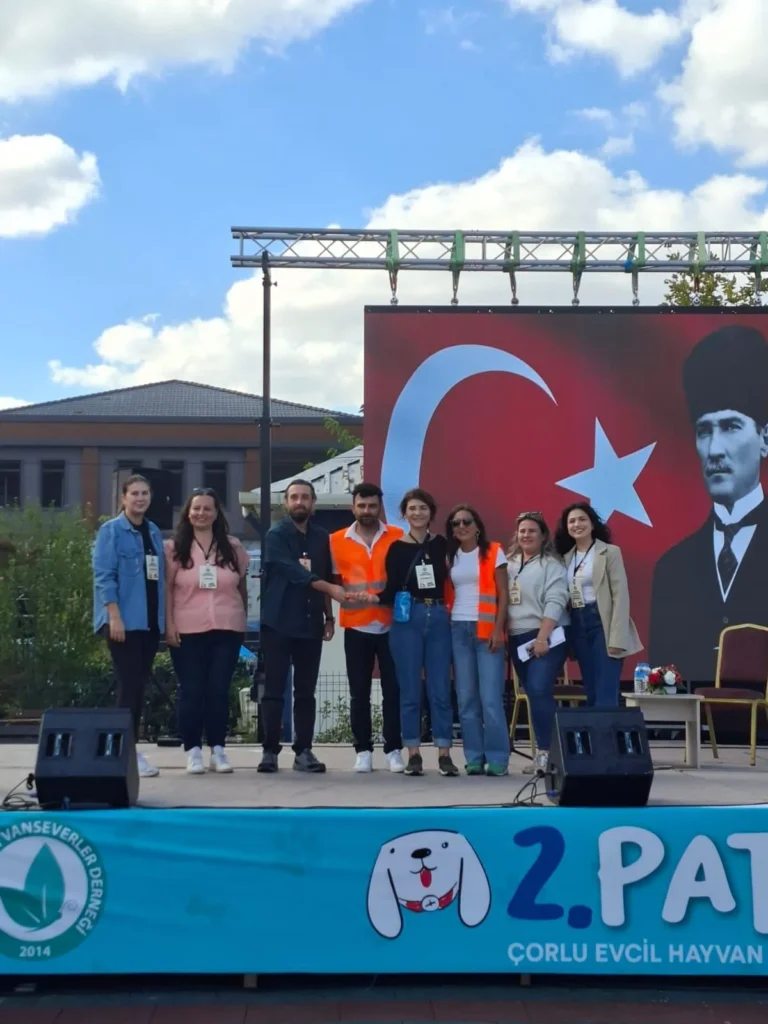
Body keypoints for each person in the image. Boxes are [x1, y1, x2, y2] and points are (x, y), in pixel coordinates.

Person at [650, 326, 768, 683]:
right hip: (693, 733)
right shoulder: (671, 569)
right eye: (704, 431)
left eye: (731, 426)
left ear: (764, 439)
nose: (715, 450)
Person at [258, 479, 347, 774]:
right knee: (273, 690)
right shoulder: (275, 535)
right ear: (286, 502)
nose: (299, 502)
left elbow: (321, 575)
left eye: (305, 497)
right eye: (294, 497)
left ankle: (304, 751)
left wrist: (330, 617)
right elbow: (292, 571)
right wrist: (330, 589)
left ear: (313, 503)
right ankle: (269, 751)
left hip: (310, 623)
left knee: (306, 691)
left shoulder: (322, 538)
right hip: (278, 623)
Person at [373, 488, 458, 777]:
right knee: (409, 690)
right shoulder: (396, 548)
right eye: (412, 509)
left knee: (440, 689)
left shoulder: (442, 545)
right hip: (408, 617)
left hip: (438, 617)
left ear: (431, 513)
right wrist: (366, 597)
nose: (418, 513)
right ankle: (413, 753)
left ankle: (445, 752)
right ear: (404, 514)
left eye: (423, 508)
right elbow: (391, 587)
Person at [165, 488, 250, 775]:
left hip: (227, 627)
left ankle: (218, 749)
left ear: (216, 514)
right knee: (191, 690)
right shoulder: (174, 547)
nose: (201, 513)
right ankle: (192, 751)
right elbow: (166, 590)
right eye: (196, 508)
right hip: (187, 629)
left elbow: (241, 586)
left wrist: (243, 621)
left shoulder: (233, 546)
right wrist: (169, 625)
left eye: (207, 509)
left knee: (218, 690)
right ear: (188, 513)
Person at [92, 474, 164, 779]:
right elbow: (104, 576)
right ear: (123, 498)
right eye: (134, 493)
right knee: (129, 685)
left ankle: (126, 746)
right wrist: (114, 616)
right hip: (123, 622)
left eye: (145, 493)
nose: (140, 498)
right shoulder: (111, 531)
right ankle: (124, 750)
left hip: (148, 623)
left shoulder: (154, 532)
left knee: (138, 686)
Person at [330, 483, 405, 773]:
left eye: (372, 506)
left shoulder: (397, 537)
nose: (367, 511)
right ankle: (362, 750)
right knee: (358, 692)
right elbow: (333, 582)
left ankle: (393, 749)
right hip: (357, 626)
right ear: (353, 507)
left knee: (393, 691)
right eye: (362, 505)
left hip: (391, 625)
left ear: (380, 507)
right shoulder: (336, 540)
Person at [554, 503, 642, 706]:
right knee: (591, 689)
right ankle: (597, 737)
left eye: (582, 519)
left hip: (603, 622)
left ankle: (607, 737)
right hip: (578, 623)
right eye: (572, 521)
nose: (577, 524)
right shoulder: (566, 558)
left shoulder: (609, 552)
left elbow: (620, 596)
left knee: (606, 690)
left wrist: (617, 637)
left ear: (592, 524)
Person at [444, 504, 509, 776]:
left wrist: (498, 629)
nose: (461, 526)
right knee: (466, 699)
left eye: (466, 521)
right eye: (456, 523)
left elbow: (504, 594)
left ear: (477, 525)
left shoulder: (494, 551)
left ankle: (497, 758)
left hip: (487, 631)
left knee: (491, 699)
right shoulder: (449, 556)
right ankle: (473, 757)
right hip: (458, 629)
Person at [507, 511, 569, 773]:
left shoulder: (552, 565)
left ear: (543, 535)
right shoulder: (508, 563)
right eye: (522, 530)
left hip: (547, 636)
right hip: (516, 638)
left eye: (532, 530)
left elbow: (556, 600)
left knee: (540, 688)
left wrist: (543, 637)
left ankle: (547, 753)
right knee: (533, 693)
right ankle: (545, 751)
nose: (526, 535)